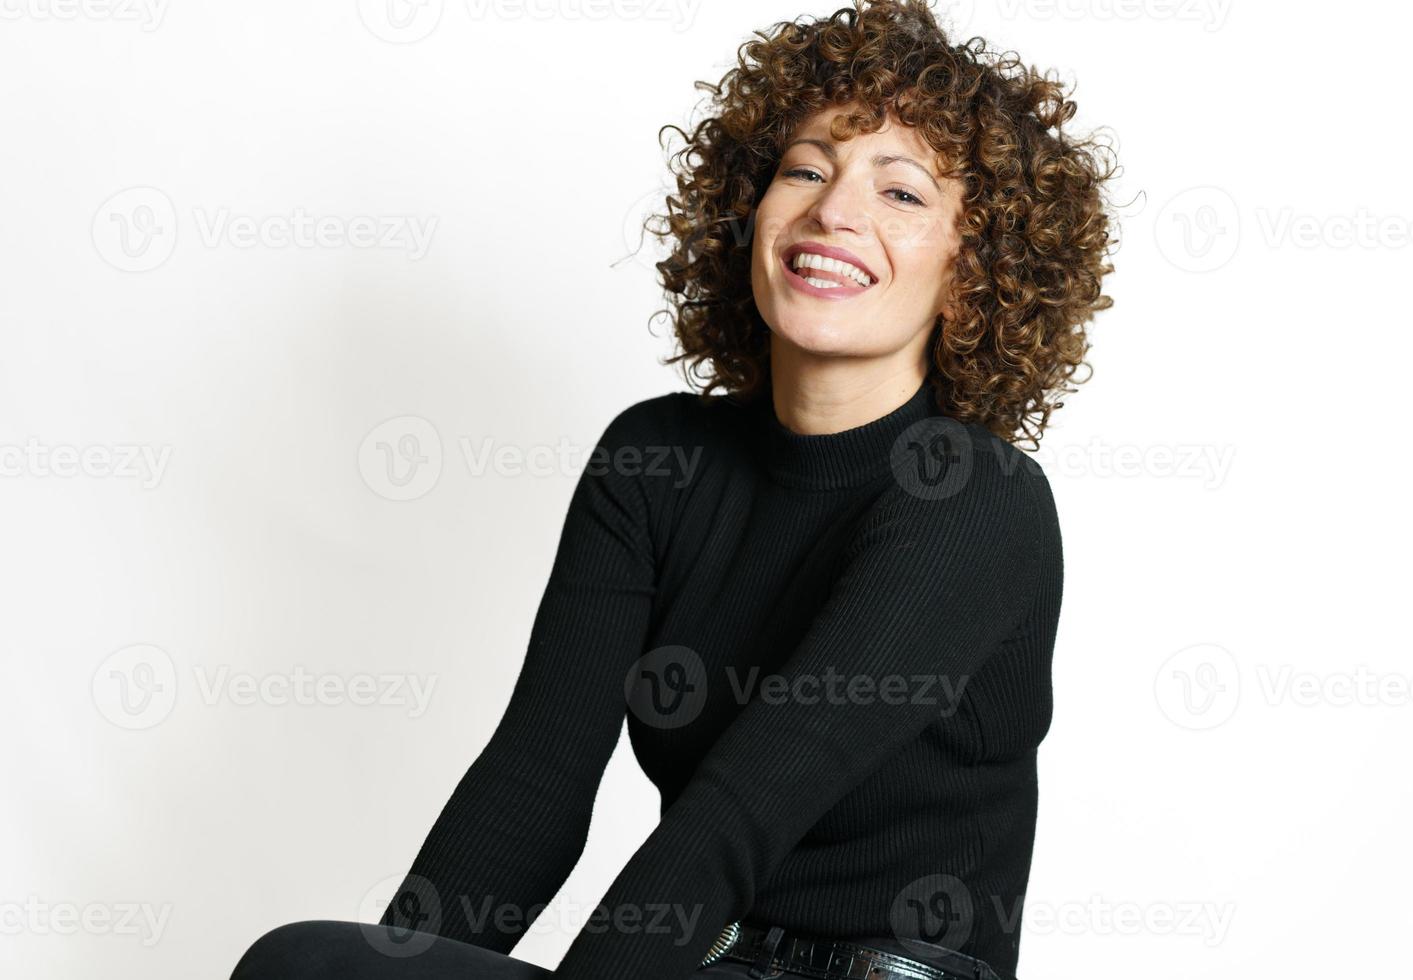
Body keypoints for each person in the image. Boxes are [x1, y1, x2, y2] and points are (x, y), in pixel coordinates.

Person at [229, 1, 1117, 978]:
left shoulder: (977, 499)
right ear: (751, 211)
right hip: (706, 964)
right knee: (309, 965)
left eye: (901, 193)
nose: (835, 211)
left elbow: (742, 813)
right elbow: (533, 784)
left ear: (970, 270)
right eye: (806, 169)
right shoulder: (655, 461)